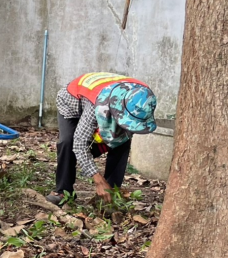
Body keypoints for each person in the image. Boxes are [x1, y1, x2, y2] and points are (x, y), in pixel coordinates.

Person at [47, 72, 157, 206]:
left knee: (123, 141)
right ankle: (63, 191)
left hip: (106, 97)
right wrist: (98, 180)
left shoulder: (144, 98)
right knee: (68, 142)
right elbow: (79, 144)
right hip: (73, 100)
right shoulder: (97, 104)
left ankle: (111, 193)